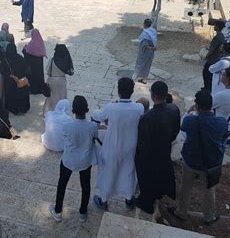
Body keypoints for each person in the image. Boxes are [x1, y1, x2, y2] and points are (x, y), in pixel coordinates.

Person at [168, 90, 227, 225]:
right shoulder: (221, 122)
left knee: (186, 188)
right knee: (209, 190)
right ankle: (209, 217)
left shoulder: (190, 120)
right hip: (211, 164)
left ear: (197, 106)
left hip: (191, 161)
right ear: (211, 106)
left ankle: (181, 212)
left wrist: (191, 111)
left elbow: (183, 127)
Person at [93, 78, 145, 211]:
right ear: (132, 91)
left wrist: (95, 111)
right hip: (130, 146)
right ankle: (128, 199)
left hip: (113, 146)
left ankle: (103, 199)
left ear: (118, 91)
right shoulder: (138, 108)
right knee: (128, 172)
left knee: (109, 171)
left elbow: (99, 116)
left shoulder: (111, 107)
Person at [135, 81, 180, 221]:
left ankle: (146, 203)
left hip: (150, 155)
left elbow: (143, 142)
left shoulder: (148, 117)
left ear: (153, 96)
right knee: (159, 173)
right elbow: (175, 131)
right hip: (164, 149)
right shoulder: (174, 109)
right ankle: (157, 194)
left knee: (147, 178)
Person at [49, 96, 98, 222]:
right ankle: (82, 212)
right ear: (87, 110)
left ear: (73, 110)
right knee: (85, 186)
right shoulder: (92, 126)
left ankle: (58, 211)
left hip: (69, 160)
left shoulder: (67, 126)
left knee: (62, 184)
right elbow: (94, 137)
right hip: (85, 161)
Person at [43, 44, 74, 114]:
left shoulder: (52, 60)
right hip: (62, 81)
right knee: (62, 96)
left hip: (52, 81)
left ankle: (52, 112)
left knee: (53, 97)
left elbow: (48, 71)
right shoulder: (66, 61)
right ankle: (62, 112)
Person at [0, 43, 30, 115]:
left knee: (11, 95)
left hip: (10, 81)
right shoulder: (20, 58)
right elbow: (26, 68)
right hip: (21, 80)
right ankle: (23, 108)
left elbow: (2, 70)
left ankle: (13, 108)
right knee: (22, 94)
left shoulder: (5, 59)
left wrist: (11, 76)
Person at [132, 18, 157, 84]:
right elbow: (155, 41)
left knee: (140, 64)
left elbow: (145, 46)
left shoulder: (145, 33)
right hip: (151, 52)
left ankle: (134, 78)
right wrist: (153, 48)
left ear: (145, 24)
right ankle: (144, 78)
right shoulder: (153, 31)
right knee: (147, 65)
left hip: (145, 52)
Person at [202, 20, 225, 91]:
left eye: (215, 25)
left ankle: (207, 88)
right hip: (217, 58)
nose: (214, 26)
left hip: (212, 59)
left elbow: (212, 49)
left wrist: (206, 56)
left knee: (206, 74)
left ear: (217, 27)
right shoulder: (222, 36)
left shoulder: (217, 37)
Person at [23, 28, 47, 95]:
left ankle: (34, 89)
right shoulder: (40, 42)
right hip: (39, 63)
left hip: (32, 65)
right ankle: (40, 88)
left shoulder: (31, 44)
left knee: (33, 77)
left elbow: (26, 52)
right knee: (39, 75)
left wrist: (25, 49)